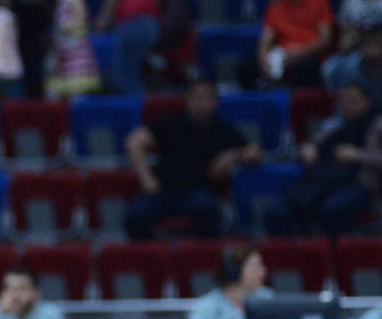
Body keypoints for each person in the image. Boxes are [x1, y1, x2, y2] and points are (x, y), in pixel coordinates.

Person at [124, 78, 262, 240]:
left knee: (207, 210)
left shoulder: (223, 130)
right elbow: (134, 142)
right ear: (188, 100)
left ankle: (201, 261)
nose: (202, 103)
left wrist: (232, 156)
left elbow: (255, 152)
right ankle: (153, 260)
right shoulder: (171, 123)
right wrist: (146, 178)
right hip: (163, 190)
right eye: (197, 98)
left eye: (207, 98)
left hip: (199, 191)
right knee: (134, 216)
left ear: (215, 101)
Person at [263, 83, 380, 238]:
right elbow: (303, 148)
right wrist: (307, 149)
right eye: (343, 101)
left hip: (358, 186)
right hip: (320, 181)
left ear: (367, 102)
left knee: (332, 209)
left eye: (352, 100)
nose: (347, 105)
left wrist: (358, 155)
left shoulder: (377, 126)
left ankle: (336, 259)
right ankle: (289, 259)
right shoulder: (332, 126)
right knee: (275, 212)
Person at [245, 0, 332, 89]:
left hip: (309, 55)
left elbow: (325, 39)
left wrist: (300, 53)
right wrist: (263, 58)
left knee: (307, 69)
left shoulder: (319, 1)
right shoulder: (275, 7)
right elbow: (266, 38)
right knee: (247, 68)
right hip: (282, 55)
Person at [189, 245, 273, 319]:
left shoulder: (268, 299)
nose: (263, 272)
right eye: (256, 267)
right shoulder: (207, 307)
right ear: (235, 270)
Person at [324, 0, 382, 94]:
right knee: (330, 68)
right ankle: (345, 107)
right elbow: (346, 38)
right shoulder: (351, 0)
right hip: (359, 52)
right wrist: (350, 42)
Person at [45, 0, 101, 99]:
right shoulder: (60, 4)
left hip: (77, 59)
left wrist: (65, 31)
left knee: (79, 98)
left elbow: (80, 23)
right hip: (63, 60)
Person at [326, 26, 382, 107]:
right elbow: (345, 107)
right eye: (368, 37)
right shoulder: (346, 69)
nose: (372, 41)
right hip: (357, 117)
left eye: (377, 36)